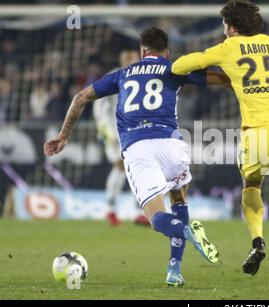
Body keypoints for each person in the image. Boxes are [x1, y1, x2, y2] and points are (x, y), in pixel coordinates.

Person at [44, 26, 230, 287]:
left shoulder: (123, 73)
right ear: (166, 51)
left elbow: (81, 97)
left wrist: (64, 135)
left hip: (139, 147)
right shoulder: (173, 67)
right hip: (172, 144)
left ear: (142, 52)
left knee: (156, 219)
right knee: (179, 200)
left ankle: (187, 232)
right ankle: (174, 268)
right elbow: (218, 79)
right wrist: (241, 78)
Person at [172, 0, 269, 292]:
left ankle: (258, 243)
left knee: (251, 187)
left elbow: (180, 66)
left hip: (258, 133)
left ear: (232, 27)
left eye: (224, 27)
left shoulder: (228, 47)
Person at [92, 49, 140, 226]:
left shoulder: (141, 75)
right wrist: (106, 132)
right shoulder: (113, 76)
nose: (129, 61)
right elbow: (99, 106)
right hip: (113, 130)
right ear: (121, 59)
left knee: (136, 167)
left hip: (134, 130)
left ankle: (138, 212)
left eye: (132, 58)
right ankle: (110, 209)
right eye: (126, 58)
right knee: (121, 166)